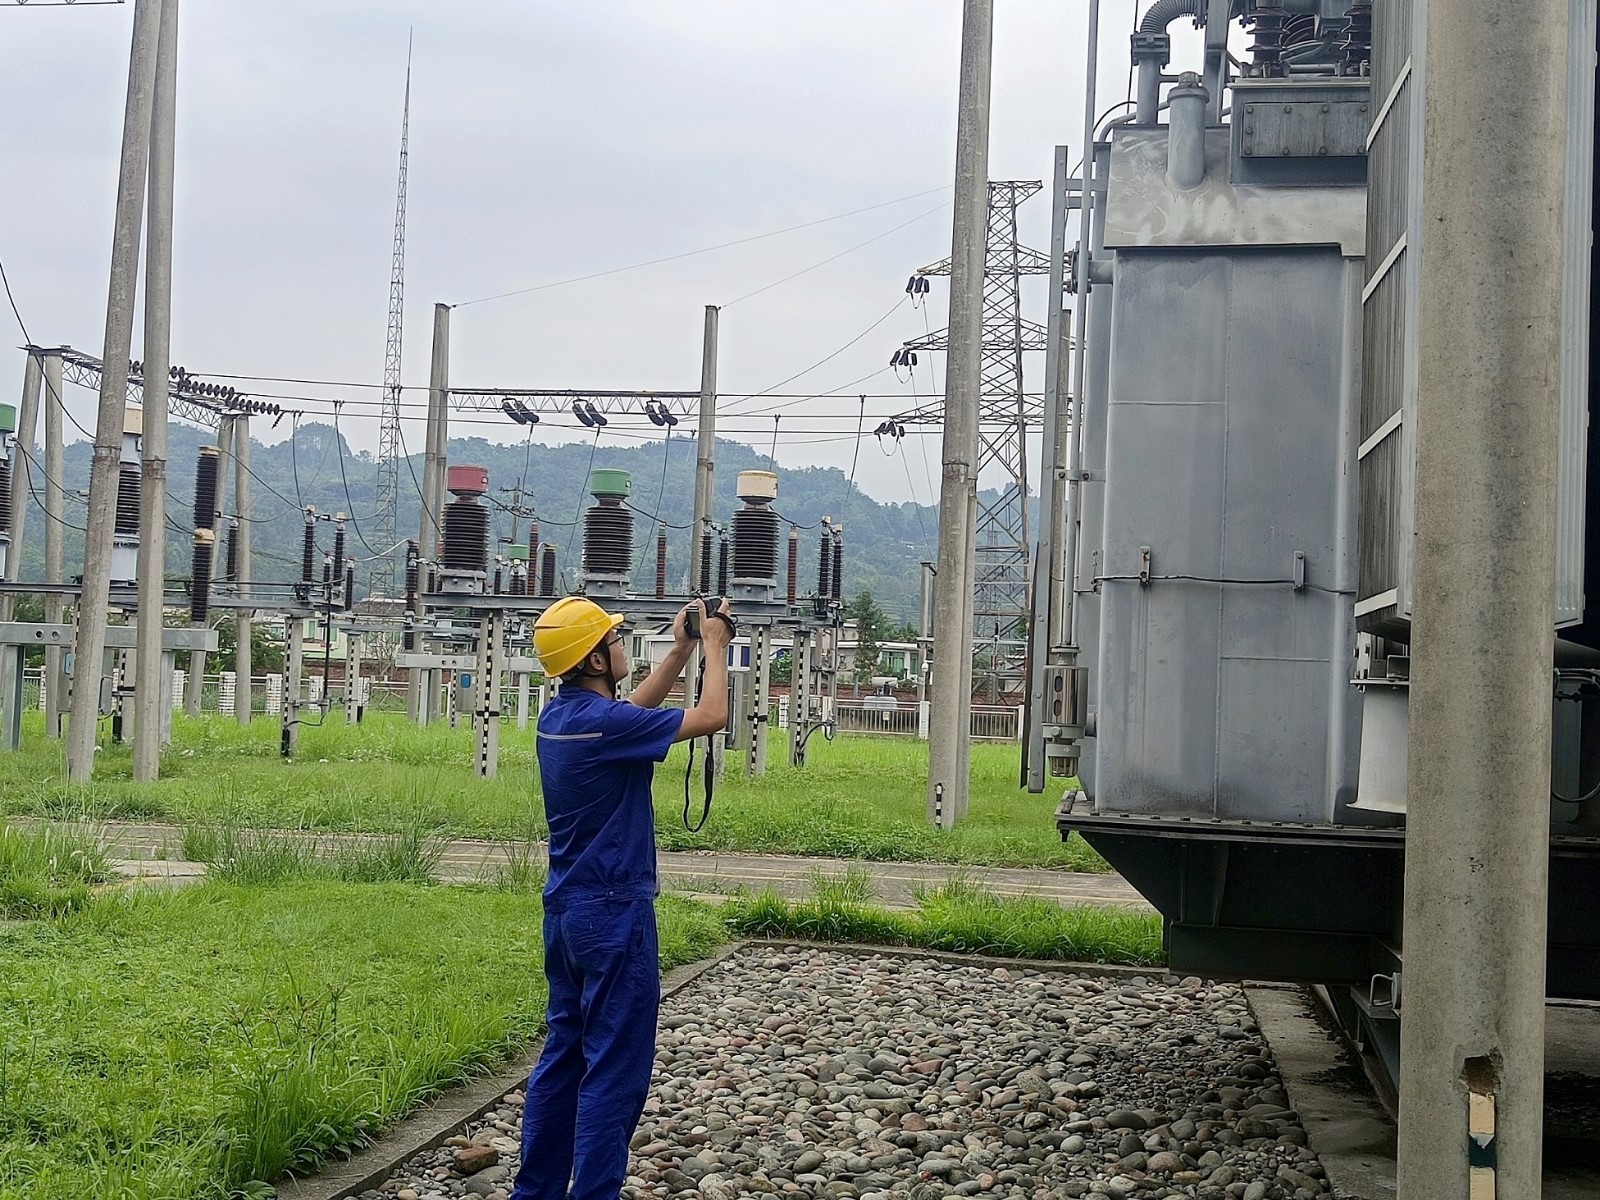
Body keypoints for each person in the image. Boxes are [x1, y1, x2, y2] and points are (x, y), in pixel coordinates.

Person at [511, 595, 733, 1200]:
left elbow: (632, 710)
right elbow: (712, 715)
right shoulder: (608, 726)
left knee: (564, 1057)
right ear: (593, 660)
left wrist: (680, 649)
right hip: (614, 913)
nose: (622, 645)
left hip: (566, 913)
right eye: (613, 639)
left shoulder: (562, 718)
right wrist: (715, 645)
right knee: (614, 1069)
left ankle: (535, 1191)